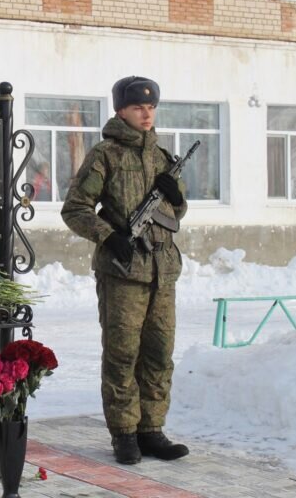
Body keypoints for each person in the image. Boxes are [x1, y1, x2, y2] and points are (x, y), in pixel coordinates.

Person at [61, 76, 189, 466]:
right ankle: (124, 434)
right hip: (123, 272)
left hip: (162, 272)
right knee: (122, 355)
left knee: (159, 354)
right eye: (137, 107)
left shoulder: (163, 157)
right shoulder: (105, 155)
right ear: (120, 110)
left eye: (150, 107)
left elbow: (175, 215)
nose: (146, 113)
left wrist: (176, 197)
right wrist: (108, 235)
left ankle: (152, 430)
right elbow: (75, 209)